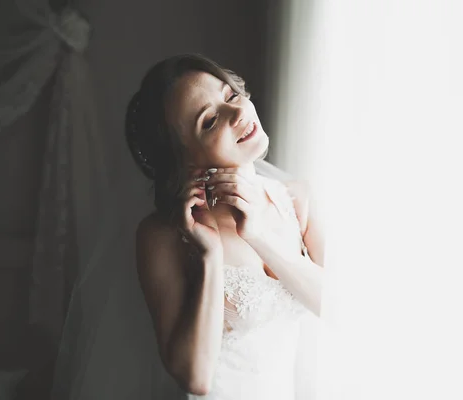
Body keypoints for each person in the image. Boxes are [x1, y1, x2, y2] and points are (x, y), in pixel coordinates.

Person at [124, 54, 325, 400]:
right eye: (211, 120)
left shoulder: (296, 198)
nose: (239, 113)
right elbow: (196, 378)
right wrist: (210, 255)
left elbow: (341, 309)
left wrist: (259, 236)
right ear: (184, 161)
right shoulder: (163, 236)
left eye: (231, 95)